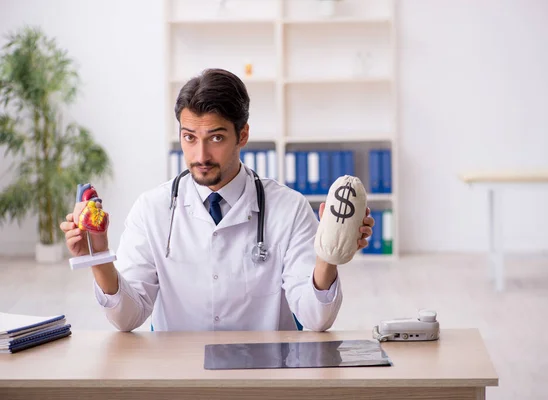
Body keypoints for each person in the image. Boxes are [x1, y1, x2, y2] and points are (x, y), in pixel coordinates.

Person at [60, 68, 374, 332]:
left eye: (217, 137)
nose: (200, 155)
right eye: (189, 137)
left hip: (263, 377)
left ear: (243, 135)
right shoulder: (151, 209)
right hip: (179, 376)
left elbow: (315, 318)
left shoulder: (288, 208)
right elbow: (127, 318)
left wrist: (328, 251)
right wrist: (98, 253)